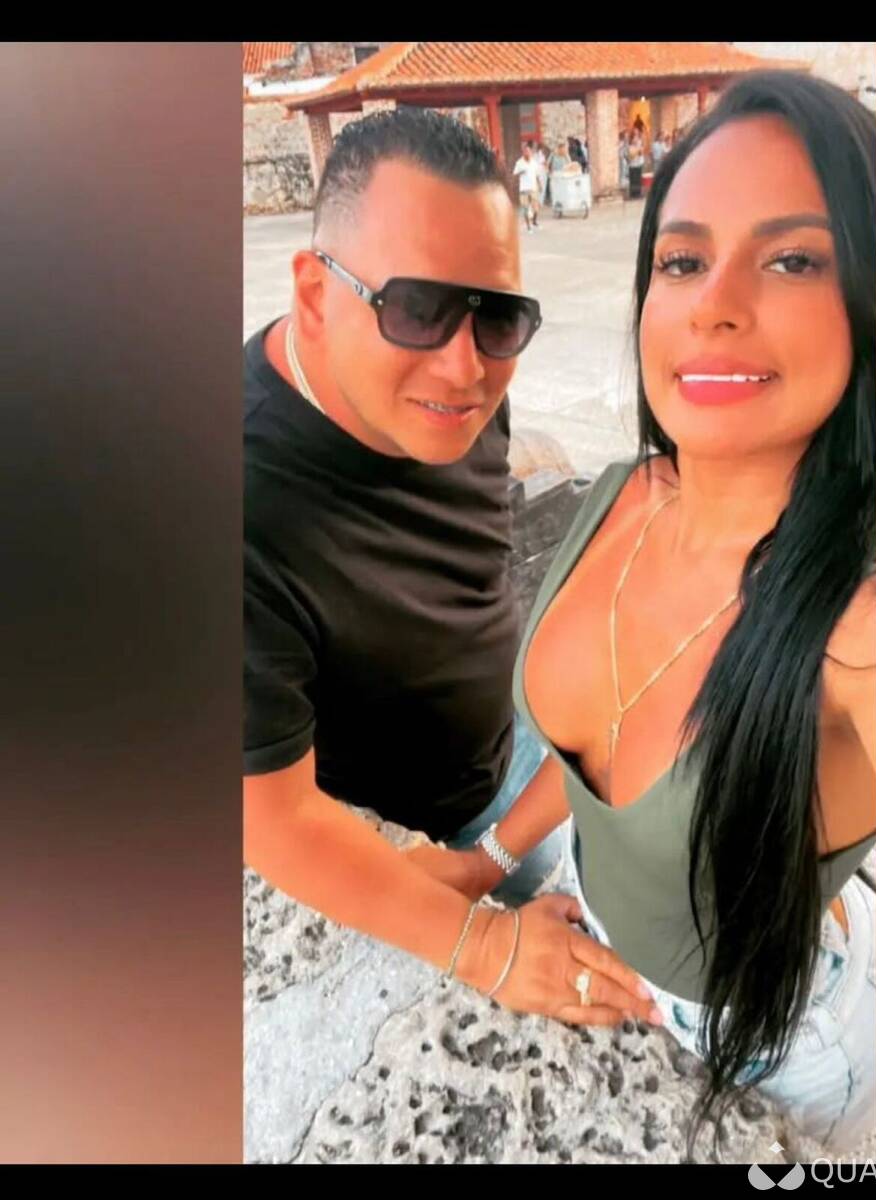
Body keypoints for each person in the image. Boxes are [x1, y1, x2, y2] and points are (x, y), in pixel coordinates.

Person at [413, 71, 876, 1152]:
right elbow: (592, 755)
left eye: (792, 259)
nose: (712, 304)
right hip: (592, 923)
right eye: (680, 260)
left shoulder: (860, 630)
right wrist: (487, 862)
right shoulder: (625, 490)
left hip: (775, 1034)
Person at [243, 108, 659, 1033]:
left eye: (497, 316)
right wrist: (484, 946)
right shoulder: (244, 507)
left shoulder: (452, 395)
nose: (465, 366)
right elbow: (272, 817)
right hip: (424, 837)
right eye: (416, 310)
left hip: (528, 755)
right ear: (313, 293)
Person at [513, 142, 540, 232]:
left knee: (536, 208)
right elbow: (514, 174)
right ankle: (529, 227)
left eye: (529, 152)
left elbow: (537, 175)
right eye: (526, 152)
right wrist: (521, 172)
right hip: (523, 189)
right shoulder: (519, 163)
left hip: (533, 188)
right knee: (525, 208)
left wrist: (539, 184)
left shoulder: (534, 162)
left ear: (531, 153)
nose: (527, 153)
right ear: (523, 153)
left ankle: (534, 221)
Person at [627, 129, 645, 199]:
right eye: (635, 134)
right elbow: (630, 155)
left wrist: (640, 150)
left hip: (638, 163)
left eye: (637, 134)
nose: (636, 138)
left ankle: (638, 193)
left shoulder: (639, 143)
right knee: (633, 179)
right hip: (632, 164)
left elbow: (641, 153)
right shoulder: (630, 145)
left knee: (638, 179)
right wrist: (636, 149)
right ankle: (633, 194)